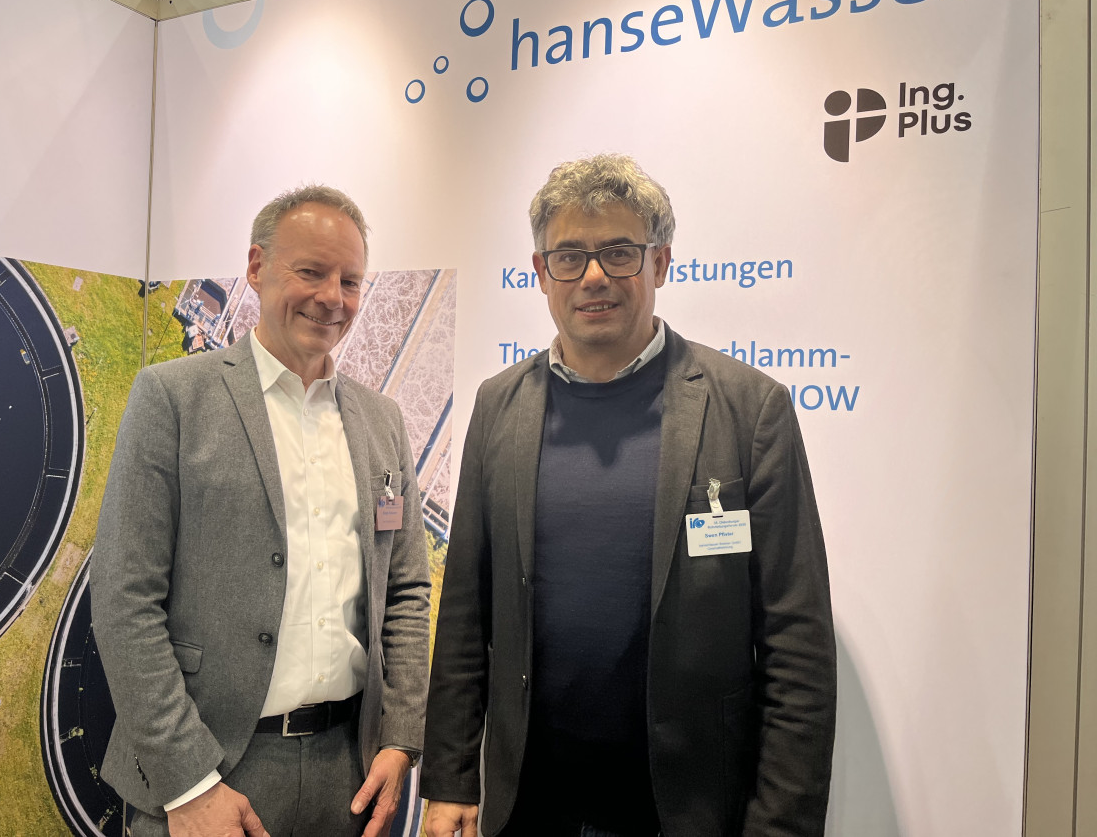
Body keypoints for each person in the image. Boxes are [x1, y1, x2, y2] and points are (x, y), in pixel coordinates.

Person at [420, 155, 836, 836]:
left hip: (688, 811)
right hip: (531, 808)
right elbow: (465, 612)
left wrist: (780, 826)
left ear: (660, 262)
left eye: (618, 252)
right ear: (540, 272)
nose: (594, 276)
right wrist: (449, 779)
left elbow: (797, 646)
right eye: (569, 257)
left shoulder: (749, 409)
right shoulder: (499, 406)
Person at [91, 185, 431, 837]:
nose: (332, 297)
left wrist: (400, 736)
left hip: (348, 776)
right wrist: (190, 783)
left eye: (350, 281)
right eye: (311, 272)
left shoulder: (382, 421)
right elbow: (124, 600)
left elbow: (407, 591)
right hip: (209, 771)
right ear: (256, 267)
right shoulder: (173, 399)